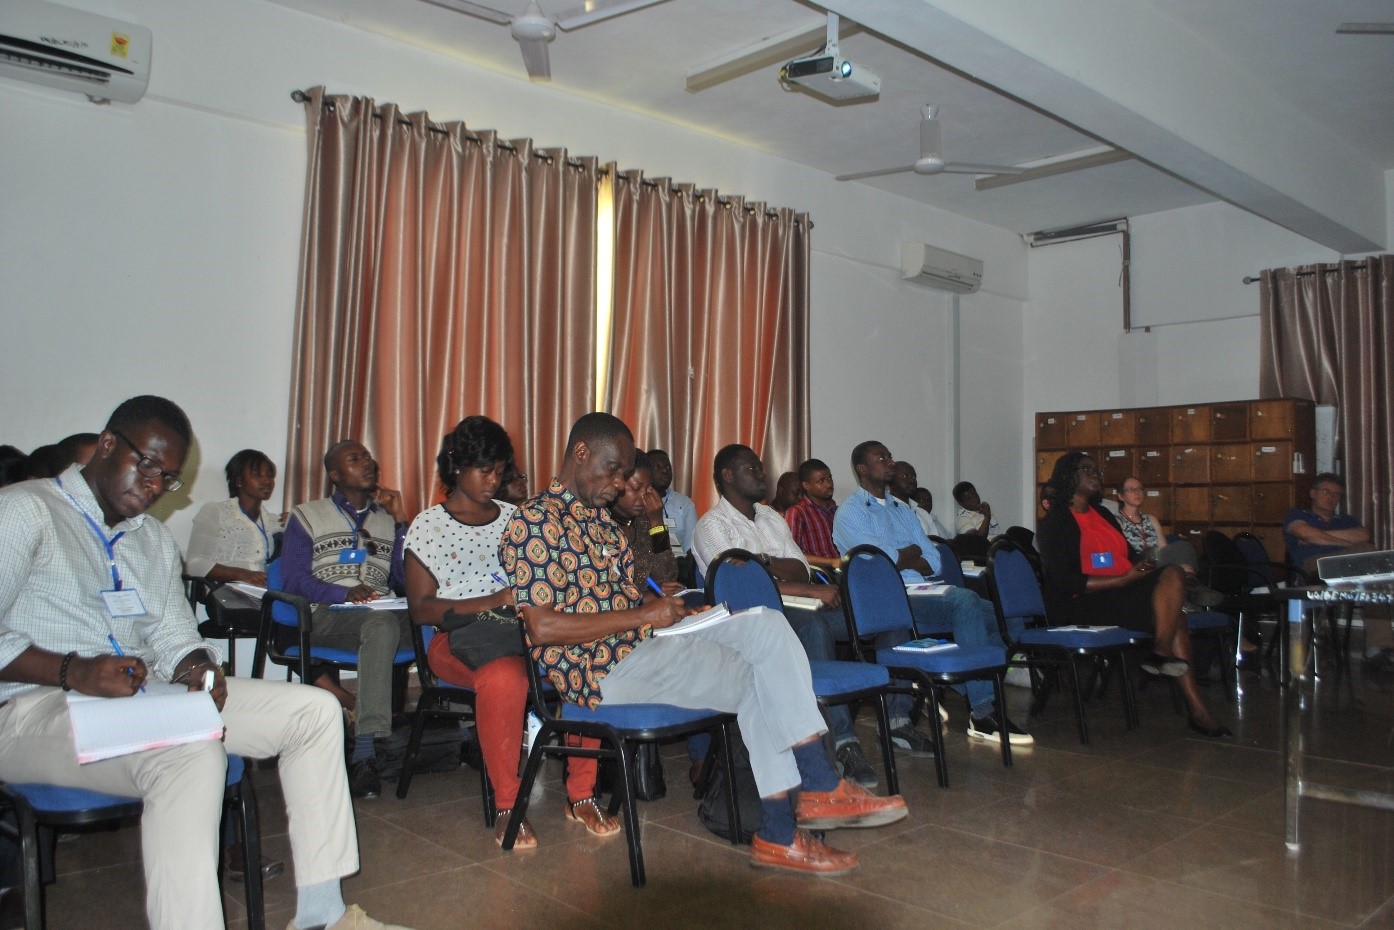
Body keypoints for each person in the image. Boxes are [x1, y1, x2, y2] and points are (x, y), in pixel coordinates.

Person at [0, 396, 410, 930]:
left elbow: (172, 631)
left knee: (314, 712)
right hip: (34, 709)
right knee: (193, 757)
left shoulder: (149, 539)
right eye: (148, 466)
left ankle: (322, 914)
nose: (153, 487)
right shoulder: (25, 510)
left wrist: (196, 662)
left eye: (166, 479)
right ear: (106, 445)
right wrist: (71, 671)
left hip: (143, 702)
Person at [501, 413, 907, 876]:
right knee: (764, 642)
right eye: (613, 470)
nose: (618, 484)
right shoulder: (534, 522)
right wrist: (644, 615)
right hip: (598, 675)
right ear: (581, 453)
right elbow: (542, 627)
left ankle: (779, 834)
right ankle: (815, 782)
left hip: (644, 649)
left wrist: (682, 615)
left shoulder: (605, 526)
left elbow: (631, 594)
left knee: (763, 638)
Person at [404, 416, 616, 848]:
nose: (494, 479)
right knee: (505, 677)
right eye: (484, 470)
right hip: (457, 639)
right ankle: (508, 803)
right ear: (455, 467)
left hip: (523, 630)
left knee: (585, 654)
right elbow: (422, 610)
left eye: (500, 470)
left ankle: (581, 794)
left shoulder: (515, 517)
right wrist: (494, 600)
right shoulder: (428, 526)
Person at [690, 444, 878, 788]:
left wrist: (762, 562)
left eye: (761, 468)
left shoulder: (771, 517)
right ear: (728, 476)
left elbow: (801, 569)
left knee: (862, 619)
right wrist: (785, 578)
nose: (763, 474)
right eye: (752, 469)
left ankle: (896, 720)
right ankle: (840, 744)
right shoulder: (711, 526)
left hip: (791, 604)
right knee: (814, 625)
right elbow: (744, 587)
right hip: (749, 619)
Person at [832, 441, 1032, 747]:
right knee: (965, 602)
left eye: (890, 456)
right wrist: (909, 555)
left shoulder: (903, 510)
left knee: (1001, 619)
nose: (891, 462)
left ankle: (964, 683)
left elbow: (934, 558)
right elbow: (878, 560)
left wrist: (906, 556)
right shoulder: (850, 512)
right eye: (881, 458)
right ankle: (982, 711)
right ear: (862, 469)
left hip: (925, 588)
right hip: (892, 598)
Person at [1037, 451, 1231, 738]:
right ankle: (1190, 698)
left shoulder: (1102, 513)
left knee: (1173, 572)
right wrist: (1123, 578)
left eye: (1097, 470)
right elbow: (1065, 581)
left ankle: (1165, 654)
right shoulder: (1056, 522)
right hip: (1084, 604)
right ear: (1069, 475)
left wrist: (1143, 562)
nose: (1095, 474)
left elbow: (1126, 554)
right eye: (1086, 469)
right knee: (1174, 609)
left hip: (1124, 591)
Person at [281, 440, 413, 799]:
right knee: (381, 625)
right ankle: (365, 753)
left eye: (369, 457)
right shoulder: (307, 515)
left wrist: (402, 522)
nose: (368, 463)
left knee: (426, 623)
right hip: (330, 615)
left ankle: (457, 740)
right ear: (335, 475)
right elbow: (292, 578)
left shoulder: (386, 520)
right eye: (356, 459)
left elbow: (404, 580)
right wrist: (342, 592)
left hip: (382, 612)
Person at [186, 450, 356, 713]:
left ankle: (329, 702)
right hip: (227, 595)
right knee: (285, 617)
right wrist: (242, 574)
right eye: (257, 474)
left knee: (310, 616)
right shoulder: (216, 512)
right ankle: (335, 693)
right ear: (239, 481)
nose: (266, 481)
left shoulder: (272, 520)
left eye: (270, 475)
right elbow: (195, 564)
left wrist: (294, 525)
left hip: (262, 595)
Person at [1283, 473, 1392, 671]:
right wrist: (1347, 542)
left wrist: (1320, 537)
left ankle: (1377, 649)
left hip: (1349, 570)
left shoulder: (1345, 519)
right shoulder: (1298, 515)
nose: (1332, 498)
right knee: (1368, 553)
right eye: (1326, 492)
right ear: (1313, 493)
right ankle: (1372, 649)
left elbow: (1364, 535)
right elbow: (1304, 532)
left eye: (1337, 495)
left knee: (1373, 586)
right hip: (1314, 569)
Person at [611, 450, 681, 594]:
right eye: (636, 488)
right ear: (616, 484)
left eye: (649, 488)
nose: (644, 497)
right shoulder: (599, 522)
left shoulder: (644, 520)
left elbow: (667, 576)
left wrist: (657, 523)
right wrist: (645, 596)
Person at [783, 458, 843, 574]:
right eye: (821, 481)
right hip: (820, 576)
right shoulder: (798, 512)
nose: (828, 484)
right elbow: (792, 555)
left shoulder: (837, 510)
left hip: (844, 571)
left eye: (829, 478)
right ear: (806, 485)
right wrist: (831, 562)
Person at [648, 448, 697, 557]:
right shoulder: (637, 502)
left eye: (667, 467)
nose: (664, 471)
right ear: (646, 471)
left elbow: (692, 547)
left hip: (679, 565)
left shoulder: (685, 503)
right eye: (658, 467)